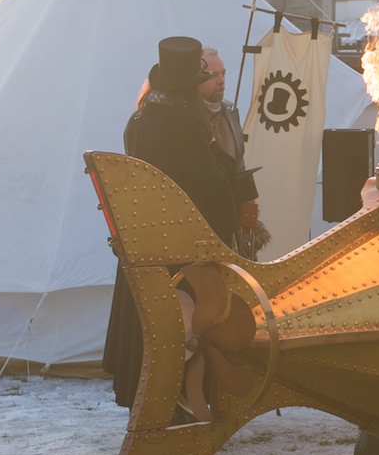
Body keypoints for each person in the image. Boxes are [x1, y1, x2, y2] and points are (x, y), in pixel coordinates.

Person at [103, 36, 240, 410]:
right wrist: (224, 163)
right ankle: (183, 401)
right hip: (182, 246)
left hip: (145, 241)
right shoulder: (184, 123)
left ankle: (147, 396)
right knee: (186, 324)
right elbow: (208, 183)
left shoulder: (138, 121)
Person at [197, 47, 267, 258]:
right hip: (204, 219)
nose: (221, 80)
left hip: (233, 215)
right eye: (212, 75)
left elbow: (239, 169)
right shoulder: (188, 119)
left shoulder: (229, 113)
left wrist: (250, 222)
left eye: (223, 73)